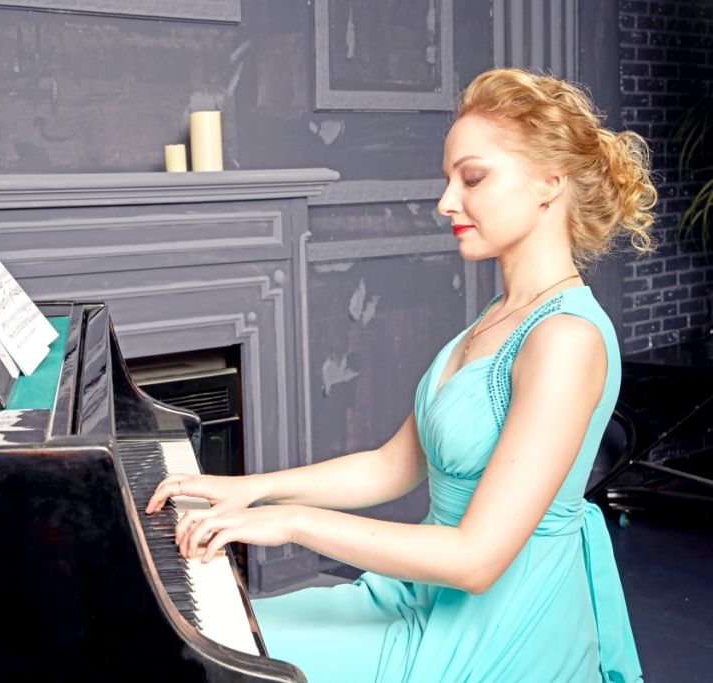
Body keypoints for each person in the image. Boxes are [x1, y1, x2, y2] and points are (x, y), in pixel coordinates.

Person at [146, 67, 656, 683]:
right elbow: (392, 465)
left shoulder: (565, 338)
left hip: (497, 628)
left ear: (550, 182)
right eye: (448, 180)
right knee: (208, 636)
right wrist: (250, 489)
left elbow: (475, 559)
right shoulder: (498, 316)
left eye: (472, 178)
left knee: (209, 661)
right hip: (417, 597)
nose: (446, 201)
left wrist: (290, 522)